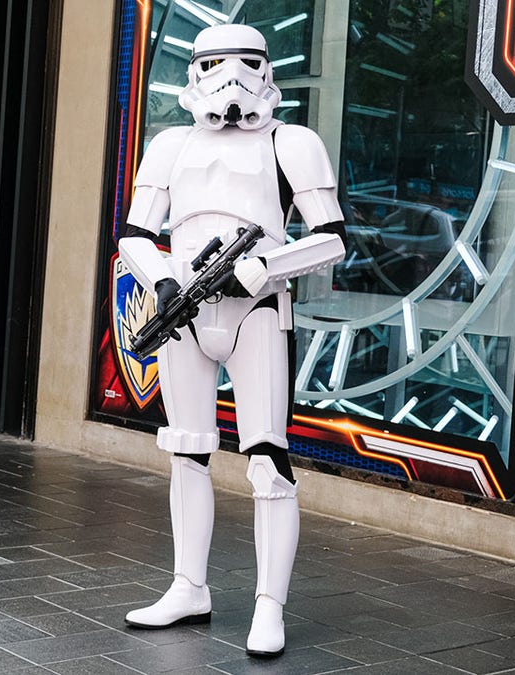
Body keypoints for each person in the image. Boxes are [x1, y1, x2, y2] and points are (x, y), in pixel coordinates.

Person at [117, 25, 347, 657]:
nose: (233, 78)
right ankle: (189, 586)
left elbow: (330, 235)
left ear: (266, 71)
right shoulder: (169, 144)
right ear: (195, 72)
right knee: (187, 452)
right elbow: (134, 233)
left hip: (257, 313)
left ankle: (269, 606)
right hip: (185, 312)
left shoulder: (290, 142)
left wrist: (266, 268)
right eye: (218, 63)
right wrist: (163, 279)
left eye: (248, 63)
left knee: (268, 462)